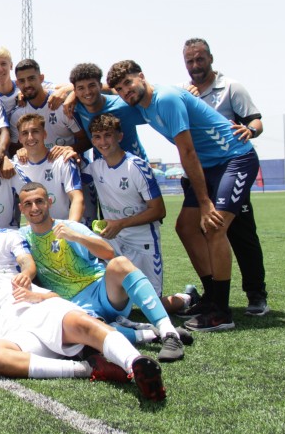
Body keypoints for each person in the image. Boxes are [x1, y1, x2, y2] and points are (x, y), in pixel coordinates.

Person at [108, 59, 261, 332]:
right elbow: (102, 94)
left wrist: (205, 203)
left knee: (214, 227)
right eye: (119, 89)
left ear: (142, 77)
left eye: (128, 83)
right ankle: (211, 296)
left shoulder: (165, 99)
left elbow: (187, 152)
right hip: (210, 167)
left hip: (234, 158)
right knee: (186, 228)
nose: (125, 91)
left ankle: (222, 312)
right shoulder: (143, 107)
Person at [0, 247, 167, 402]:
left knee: (83, 322)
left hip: (41, 315)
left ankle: (136, 365)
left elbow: (55, 299)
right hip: (19, 341)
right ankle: (87, 368)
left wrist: (37, 296)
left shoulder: (8, 280)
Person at [17, 182, 188, 362]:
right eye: (28, 204)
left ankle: (168, 333)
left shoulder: (68, 227)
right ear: (21, 208)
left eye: (39, 201)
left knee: (120, 264)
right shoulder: (21, 237)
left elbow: (108, 252)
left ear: (49, 202)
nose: (34, 208)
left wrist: (76, 237)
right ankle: (149, 335)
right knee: (81, 335)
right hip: (75, 306)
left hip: (102, 292)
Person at [183, 38, 269, 316]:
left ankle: (256, 294)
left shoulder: (231, 87)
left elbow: (256, 120)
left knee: (240, 233)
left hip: (231, 168)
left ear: (210, 58)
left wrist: (251, 130)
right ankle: (212, 293)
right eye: (189, 61)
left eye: (200, 59)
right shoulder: (186, 93)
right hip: (202, 173)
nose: (195, 66)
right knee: (199, 231)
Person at [87, 114, 166, 295]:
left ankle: (186, 297)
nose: (103, 142)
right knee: (115, 299)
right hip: (113, 241)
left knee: (152, 303)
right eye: (97, 137)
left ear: (119, 136)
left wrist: (121, 223)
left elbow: (159, 210)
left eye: (108, 135)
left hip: (143, 242)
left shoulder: (137, 167)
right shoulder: (94, 167)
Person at [66, 63, 148, 160]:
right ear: (75, 91)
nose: (87, 92)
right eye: (81, 88)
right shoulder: (75, 107)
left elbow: (152, 111)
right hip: (103, 172)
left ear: (100, 86)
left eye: (92, 85)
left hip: (135, 169)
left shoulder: (124, 105)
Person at [13, 114, 84, 222]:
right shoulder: (15, 163)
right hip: (35, 233)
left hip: (62, 228)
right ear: (20, 138)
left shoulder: (63, 159)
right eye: (25, 133)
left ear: (44, 134)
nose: (30, 137)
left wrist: (70, 229)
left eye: (35, 131)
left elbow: (77, 198)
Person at [9, 59, 85, 150]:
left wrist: (66, 151)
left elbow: (86, 140)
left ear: (41, 78)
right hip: (37, 164)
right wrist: (21, 152)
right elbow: (14, 148)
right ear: (17, 83)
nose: (27, 84)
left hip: (67, 162)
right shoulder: (17, 114)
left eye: (31, 78)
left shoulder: (63, 104)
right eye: (22, 81)